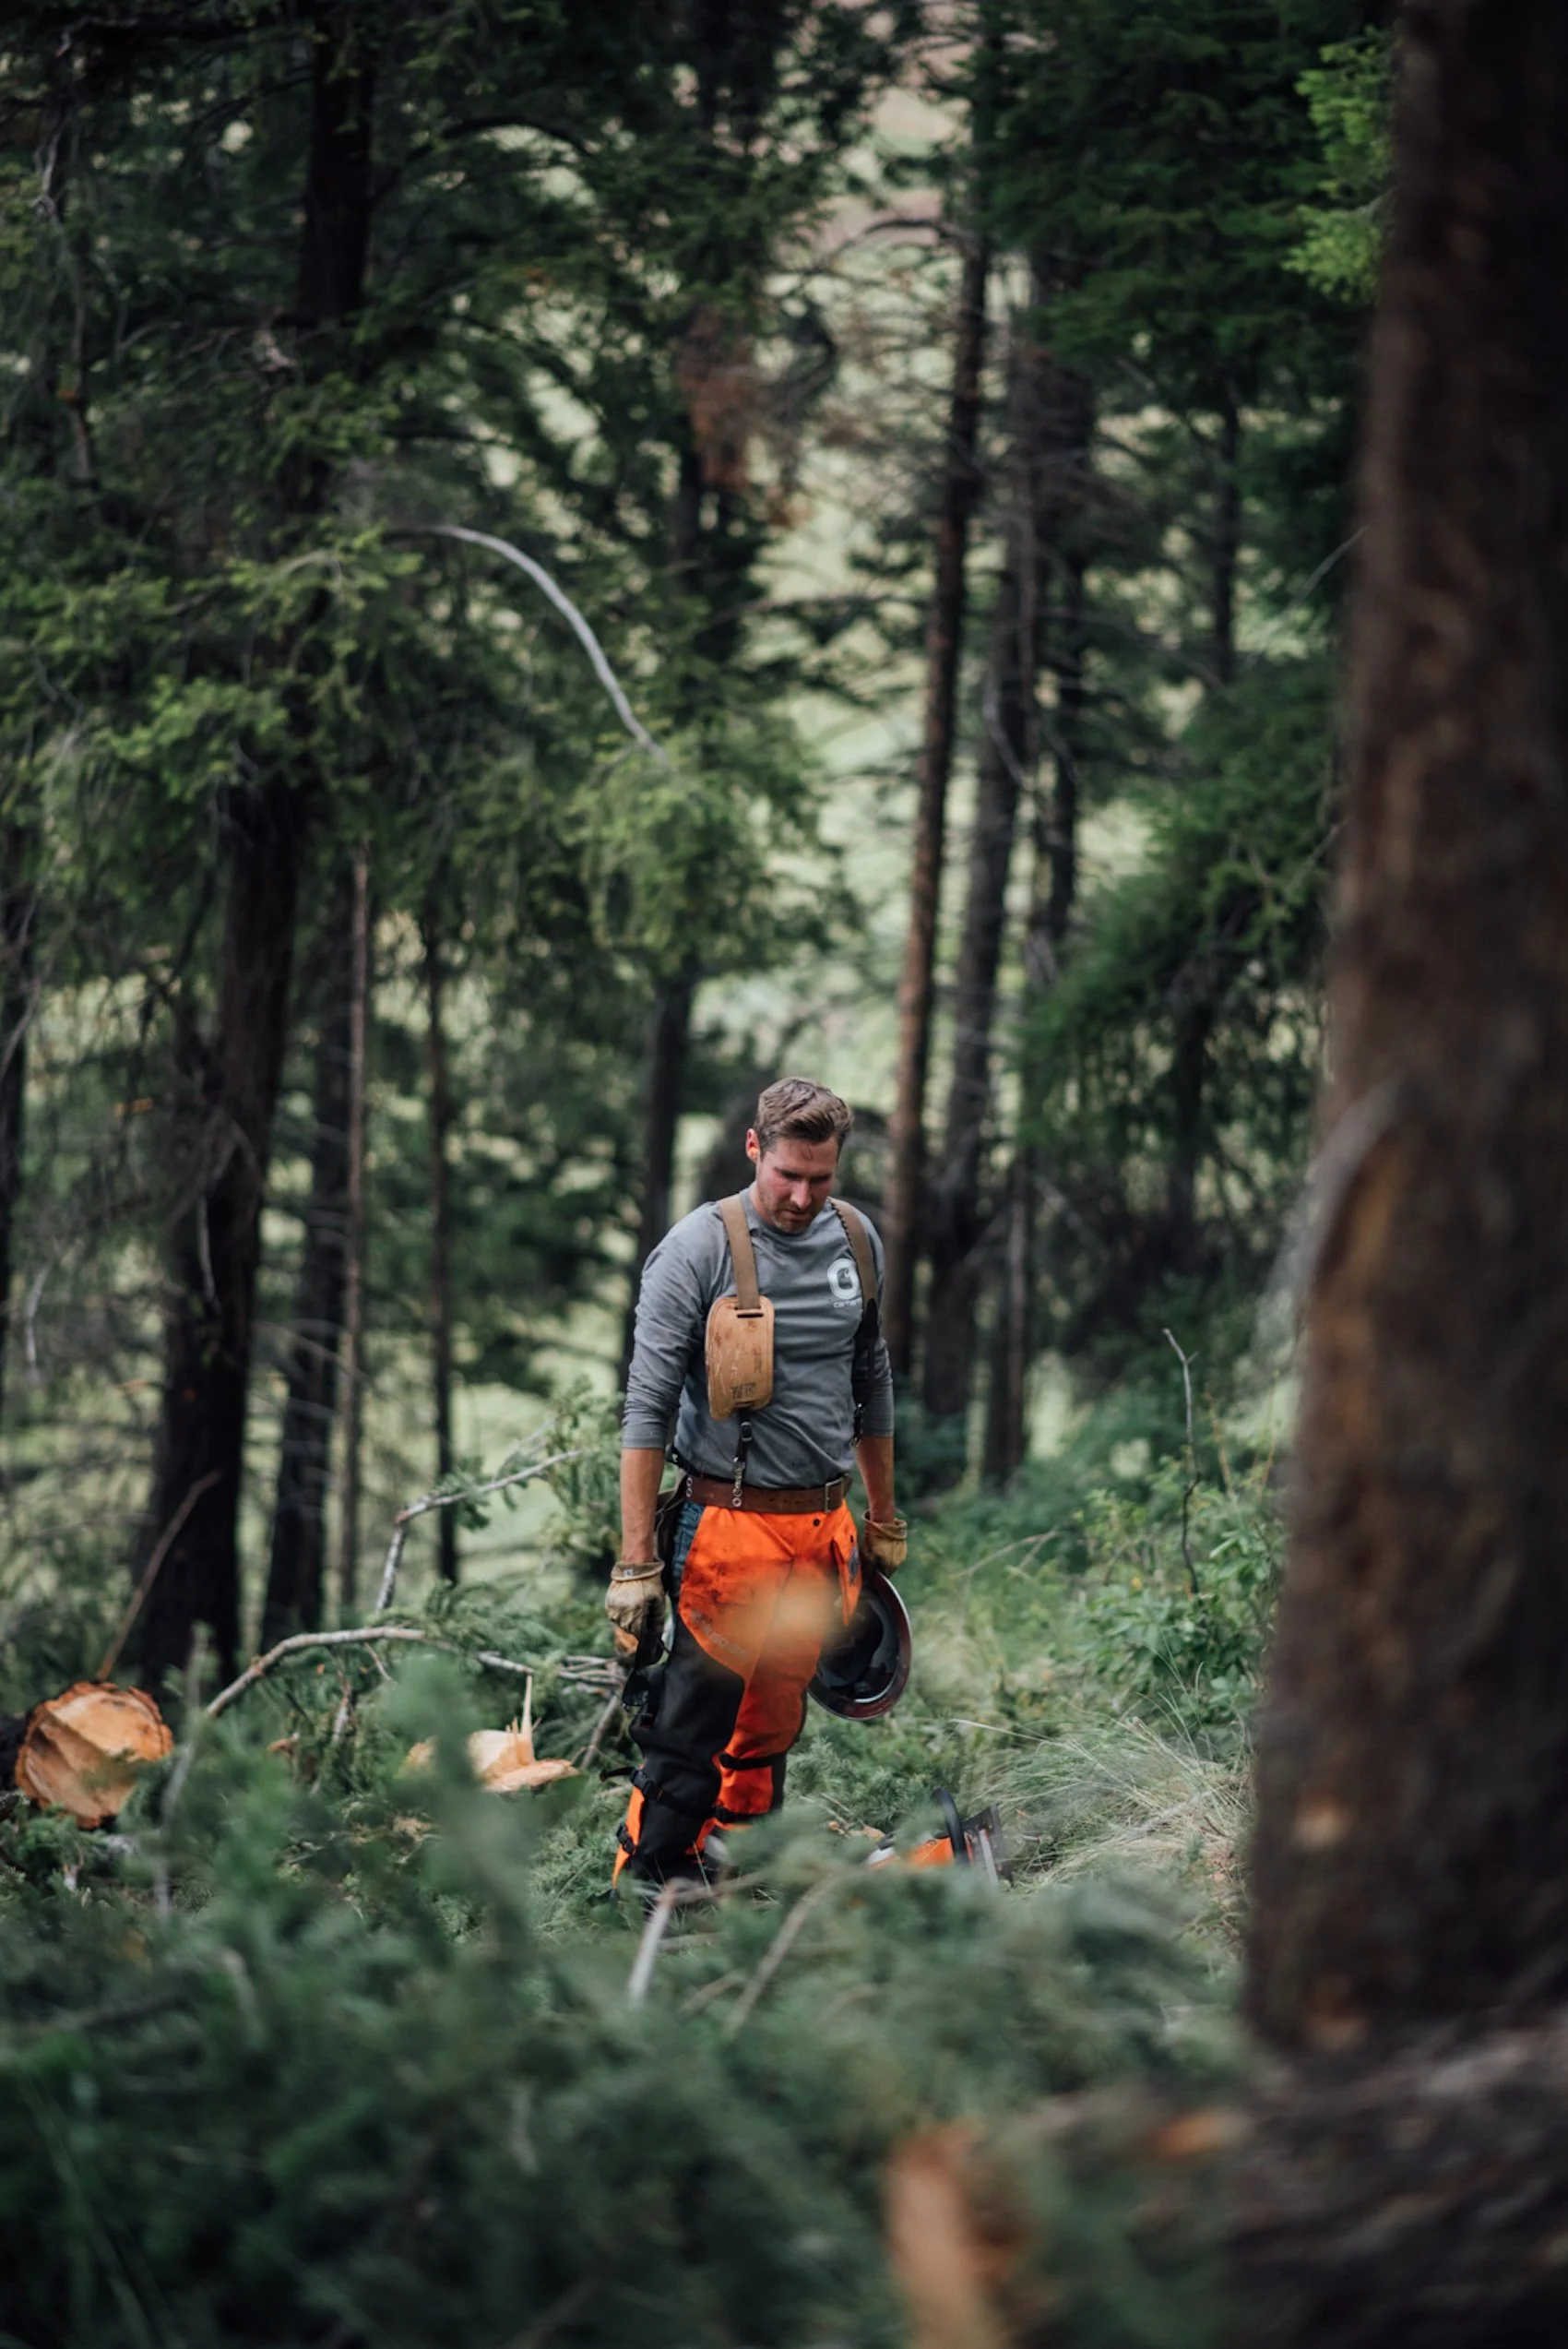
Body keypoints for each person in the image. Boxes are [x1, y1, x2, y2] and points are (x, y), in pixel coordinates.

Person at [608, 1076, 906, 1889]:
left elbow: (872, 1381)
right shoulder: (696, 1251)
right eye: (788, 1175)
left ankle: (738, 1867)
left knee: (772, 1719)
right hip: (726, 1528)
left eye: (821, 1178)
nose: (804, 1197)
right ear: (754, 1149)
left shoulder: (857, 1241)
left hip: (822, 1526)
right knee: (691, 1724)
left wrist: (884, 1515)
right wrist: (635, 1565)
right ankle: (653, 1884)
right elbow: (646, 1409)